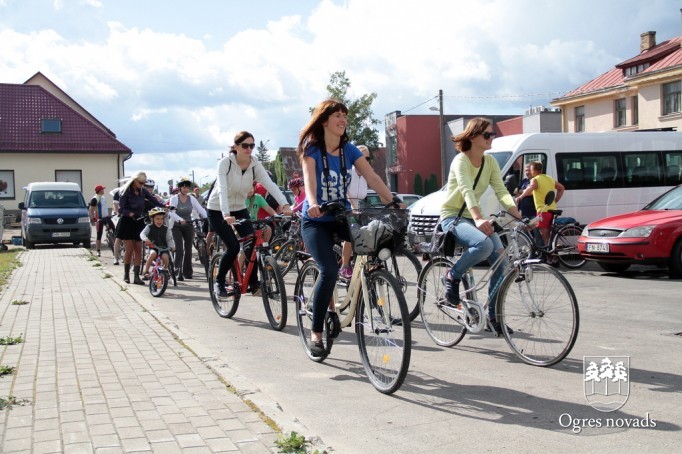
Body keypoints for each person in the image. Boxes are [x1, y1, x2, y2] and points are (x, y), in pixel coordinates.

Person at [299, 99, 402, 357]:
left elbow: (372, 177)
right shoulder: (312, 150)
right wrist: (313, 203)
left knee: (374, 241)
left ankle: (368, 284)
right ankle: (316, 332)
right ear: (324, 120)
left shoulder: (349, 150)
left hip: (340, 216)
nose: (343, 119)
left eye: (345, 115)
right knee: (328, 270)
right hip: (315, 220)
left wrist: (391, 200)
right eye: (337, 115)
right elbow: (310, 183)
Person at [440, 117, 522, 334]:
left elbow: (501, 190)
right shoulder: (461, 161)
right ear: (473, 136)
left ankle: (493, 317)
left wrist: (517, 213)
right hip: (453, 217)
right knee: (484, 245)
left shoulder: (490, 162)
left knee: (502, 260)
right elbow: (466, 190)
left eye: (492, 134)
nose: (491, 137)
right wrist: (478, 218)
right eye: (487, 134)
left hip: (474, 217)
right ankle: (452, 275)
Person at [206, 131, 292, 298]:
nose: (249, 149)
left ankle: (253, 283)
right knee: (233, 247)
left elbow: (270, 185)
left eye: (252, 145)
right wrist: (225, 214)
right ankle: (219, 281)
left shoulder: (254, 165)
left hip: (239, 208)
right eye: (245, 145)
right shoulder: (225, 163)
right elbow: (222, 189)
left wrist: (285, 204)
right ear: (236, 146)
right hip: (217, 209)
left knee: (251, 243)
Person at [117, 171, 165, 284]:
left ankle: (136, 276)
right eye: (140, 183)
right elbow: (121, 209)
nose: (142, 185)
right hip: (127, 222)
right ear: (134, 181)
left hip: (138, 221)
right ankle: (126, 274)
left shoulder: (143, 191)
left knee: (138, 249)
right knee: (129, 250)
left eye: (144, 183)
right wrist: (131, 214)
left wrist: (164, 206)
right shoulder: (126, 192)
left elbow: (153, 200)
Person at [339, 144, 371, 279]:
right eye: (363, 158)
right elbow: (345, 192)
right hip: (346, 208)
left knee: (372, 232)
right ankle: (344, 266)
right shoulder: (349, 173)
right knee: (352, 233)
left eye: (368, 159)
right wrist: (352, 207)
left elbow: (373, 189)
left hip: (360, 209)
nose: (366, 161)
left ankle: (367, 263)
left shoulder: (366, 175)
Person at [515, 161, 565, 246]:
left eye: (530, 169)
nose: (529, 172)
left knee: (545, 236)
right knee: (535, 229)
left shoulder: (535, 179)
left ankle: (548, 253)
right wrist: (555, 200)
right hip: (552, 210)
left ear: (533, 170)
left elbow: (530, 188)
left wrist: (520, 197)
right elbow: (561, 188)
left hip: (543, 211)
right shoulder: (549, 178)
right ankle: (547, 250)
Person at [168, 177, 207, 280]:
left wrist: (208, 218)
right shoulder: (174, 198)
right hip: (176, 225)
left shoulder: (191, 198)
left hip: (188, 225)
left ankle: (187, 272)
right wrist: (180, 220)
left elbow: (200, 209)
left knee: (188, 249)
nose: (185, 189)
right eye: (184, 187)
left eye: (187, 188)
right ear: (180, 188)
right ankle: (177, 271)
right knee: (179, 248)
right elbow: (171, 213)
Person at [140, 208, 176, 279]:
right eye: (157, 219)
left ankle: (165, 270)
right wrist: (146, 239)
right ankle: (146, 271)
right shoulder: (149, 227)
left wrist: (172, 247)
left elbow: (169, 239)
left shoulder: (166, 229)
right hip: (153, 247)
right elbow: (142, 234)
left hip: (163, 248)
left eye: (161, 219)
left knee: (165, 257)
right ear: (152, 219)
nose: (160, 221)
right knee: (153, 254)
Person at [89, 184, 114, 257]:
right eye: (102, 189)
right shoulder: (95, 199)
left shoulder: (103, 197)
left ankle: (116, 245)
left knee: (114, 229)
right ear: (100, 191)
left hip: (106, 217)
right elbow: (91, 209)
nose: (103, 190)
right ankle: (98, 251)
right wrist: (93, 218)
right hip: (99, 219)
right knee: (99, 234)